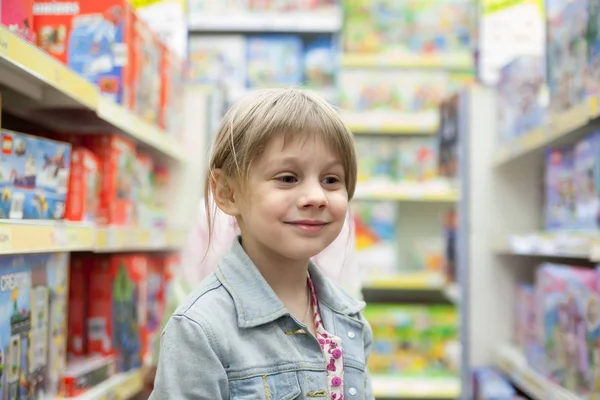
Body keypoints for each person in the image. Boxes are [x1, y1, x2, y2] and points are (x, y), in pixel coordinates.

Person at [149, 88, 374, 399]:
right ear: (227, 193)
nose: (316, 197)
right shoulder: (200, 329)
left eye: (331, 180)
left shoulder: (349, 319)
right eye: (287, 178)